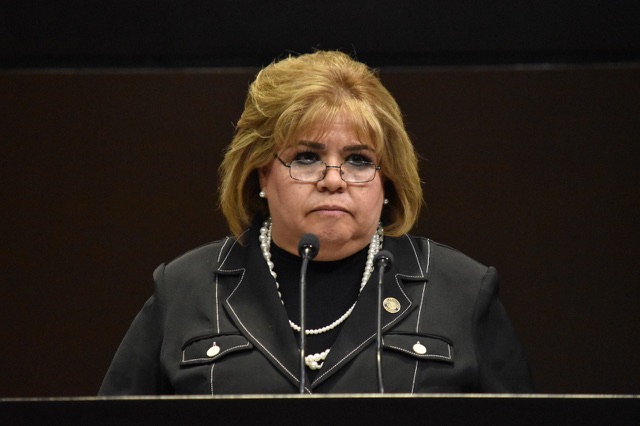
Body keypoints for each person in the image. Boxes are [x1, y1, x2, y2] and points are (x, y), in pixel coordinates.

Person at [98, 50, 533, 395]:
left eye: (358, 160)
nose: (333, 180)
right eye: (306, 157)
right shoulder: (184, 290)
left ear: (388, 180)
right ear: (261, 173)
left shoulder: (462, 292)